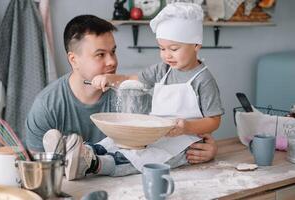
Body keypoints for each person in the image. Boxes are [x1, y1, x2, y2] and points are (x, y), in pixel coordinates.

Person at [26, 13, 218, 181]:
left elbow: (164, 144)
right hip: (74, 188)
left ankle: (85, 157)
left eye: (113, 52)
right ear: (73, 59)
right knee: (108, 146)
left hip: (124, 184)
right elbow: (36, 172)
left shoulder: (133, 96)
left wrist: (206, 148)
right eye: (100, 55)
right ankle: (69, 153)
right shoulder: (46, 107)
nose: (112, 61)